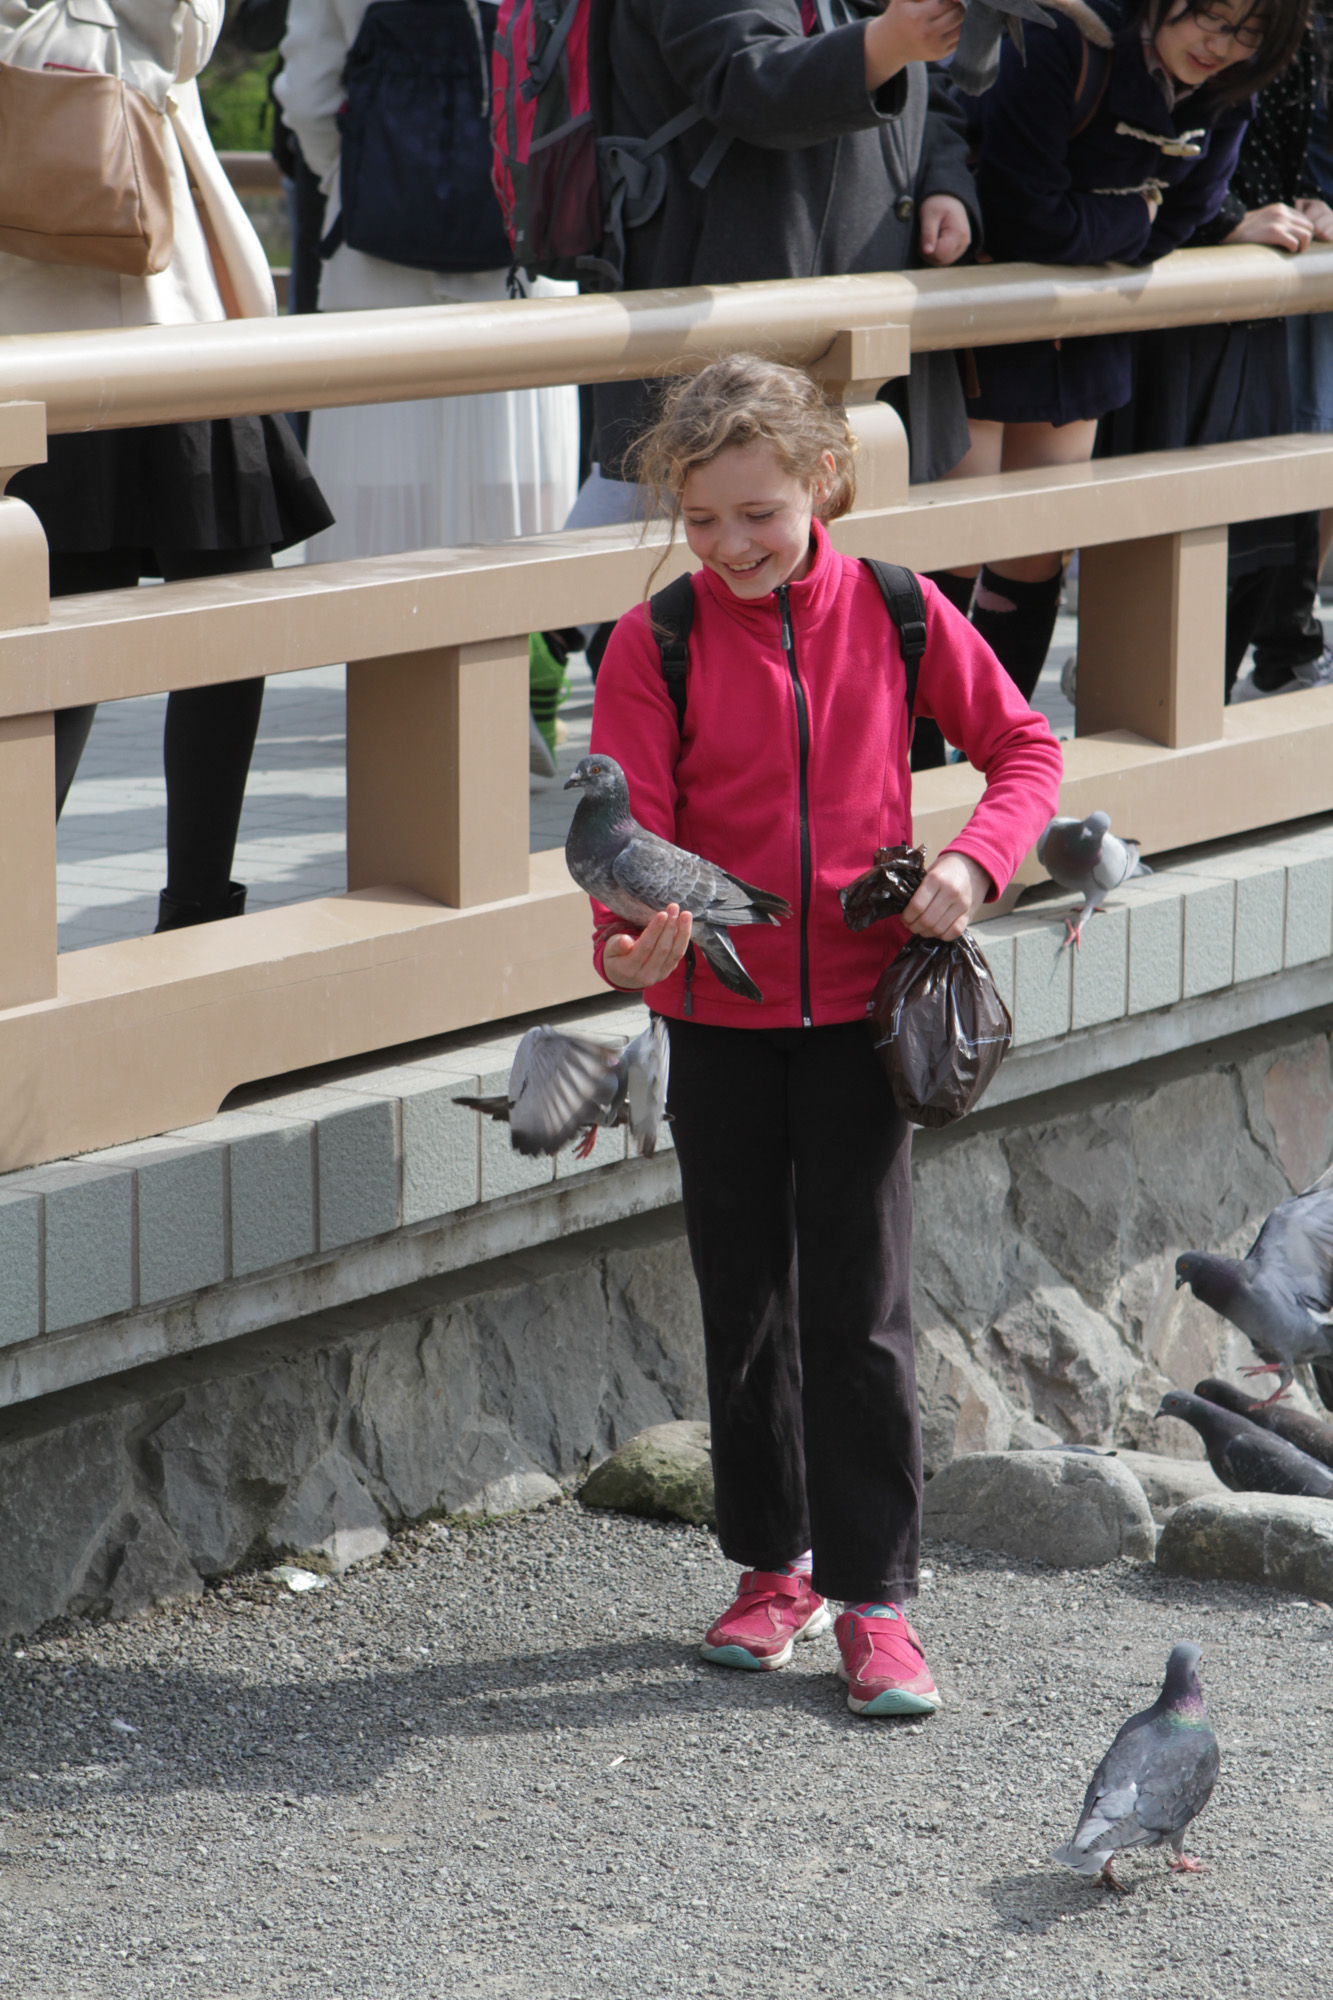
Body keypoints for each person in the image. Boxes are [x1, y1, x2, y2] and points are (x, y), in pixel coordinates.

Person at [583, 356, 1062, 1716]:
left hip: (863, 1012)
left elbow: (1024, 750)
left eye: (760, 515)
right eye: (701, 520)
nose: (730, 546)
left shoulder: (901, 609)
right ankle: (769, 1568)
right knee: (742, 1299)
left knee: (860, 1310)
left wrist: (971, 863)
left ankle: (876, 1600)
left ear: (824, 484)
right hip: (715, 1013)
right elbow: (622, 837)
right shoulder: (653, 641)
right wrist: (622, 945)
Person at [3, 0, 333, 930]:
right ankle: (150, 912)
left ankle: (154, 911)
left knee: (165, 616)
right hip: (138, 312)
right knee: (94, 631)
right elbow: (181, 28)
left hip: (84, 316)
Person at [568, 0, 981, 729]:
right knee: (702, 574)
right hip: (725, 321)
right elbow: (748, 79)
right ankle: (556, 645)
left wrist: (946, 181)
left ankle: (551, 639)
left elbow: (932, 85)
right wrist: (889, 40)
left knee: (860, 617)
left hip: (860, 321)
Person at [951, 0, 1307, 702]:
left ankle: (1002, 747)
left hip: (1085, 326)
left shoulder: (1232, 84)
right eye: (1209, 15)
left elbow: (1179, 220)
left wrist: (1114, 227)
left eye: (1248, 31)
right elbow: (1021, 211)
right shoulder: (1061, 31)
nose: (1219, 43)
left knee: (1037, 550)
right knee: (951, 546)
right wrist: (1130, 215)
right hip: (975, 304)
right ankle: (919, 751)